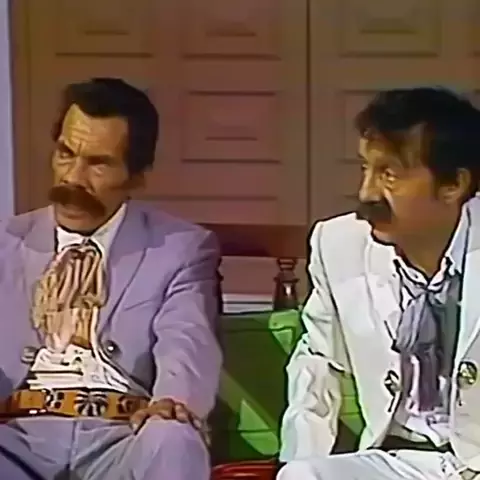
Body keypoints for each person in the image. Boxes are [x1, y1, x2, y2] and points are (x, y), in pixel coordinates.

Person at [0, 77, 222, 479]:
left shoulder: (179, 248)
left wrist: (175, 399)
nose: (73, 178)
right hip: (17, 438)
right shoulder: (5, 244)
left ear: (136, 176)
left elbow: (187, 337)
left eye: (98, 163)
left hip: (122, 437)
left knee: (174, 438)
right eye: (66, 154)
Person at [277, 87, 480, 479]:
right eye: (365, 169)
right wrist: (300, 457)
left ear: (453, 185)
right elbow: (319, 359)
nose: (366, 193)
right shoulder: (339, 244)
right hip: (397, 460)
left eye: (389, 174)